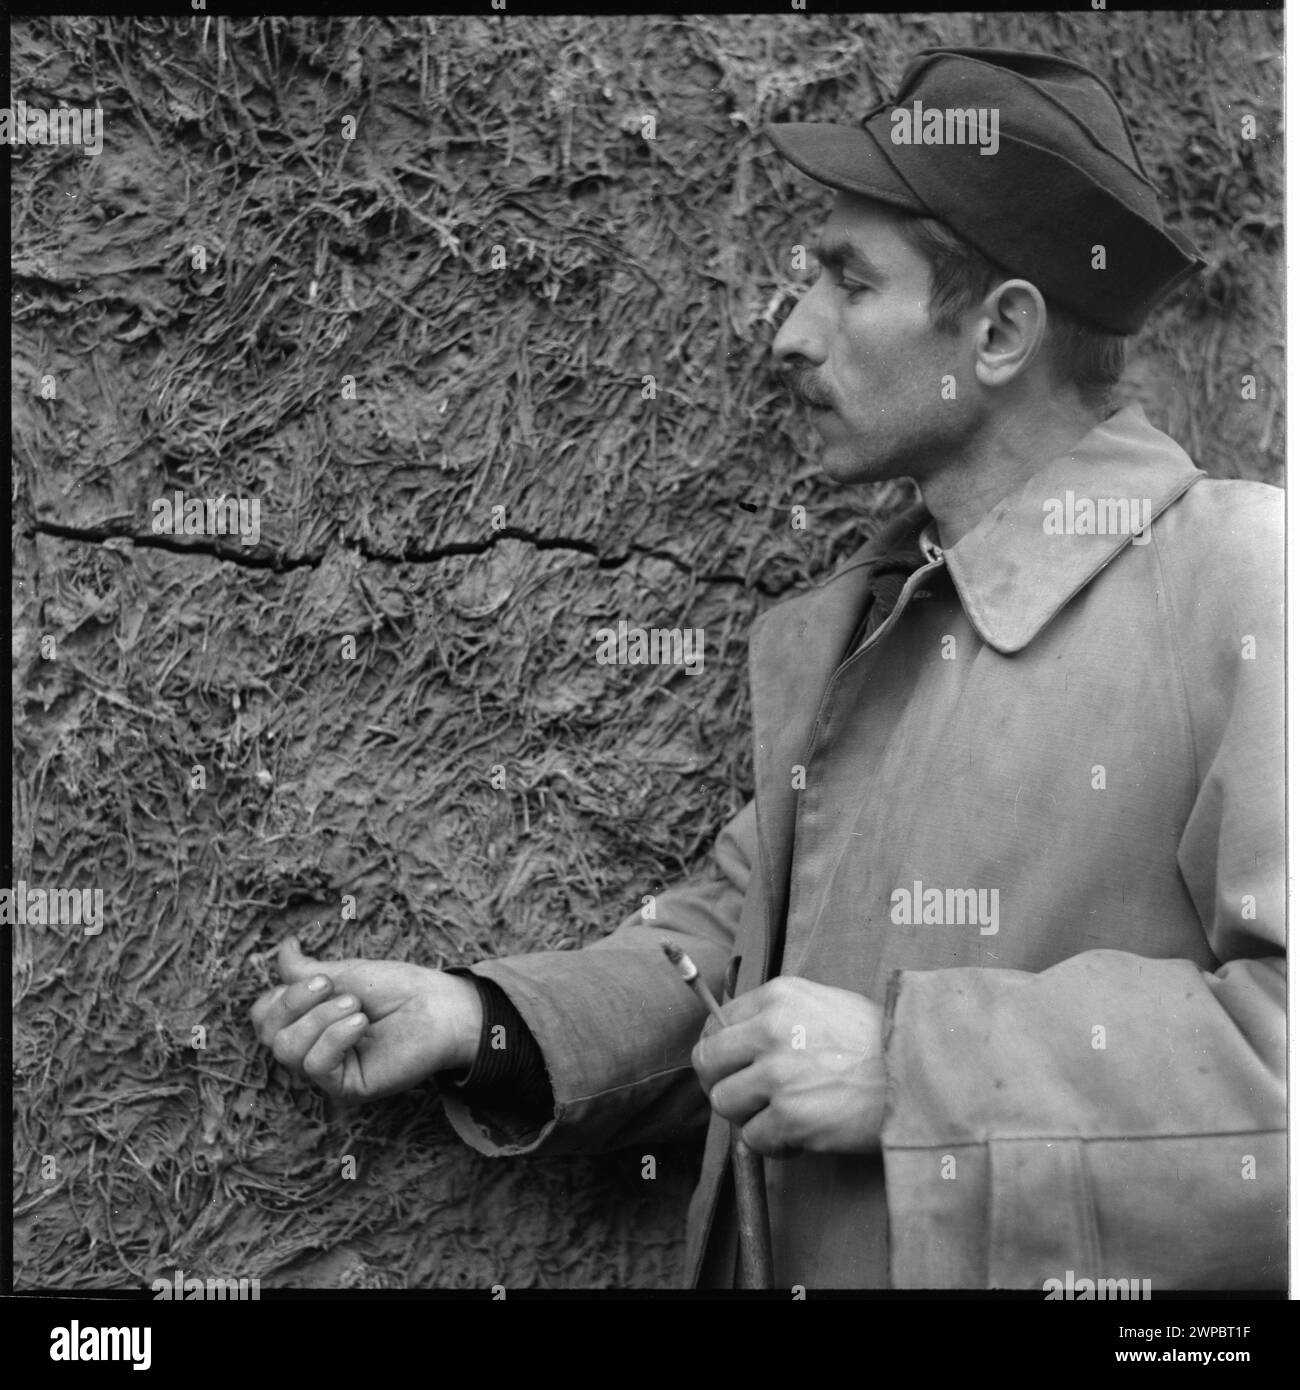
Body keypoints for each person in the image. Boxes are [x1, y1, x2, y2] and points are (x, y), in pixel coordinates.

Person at [251, 47, 1283, 1290]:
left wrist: (912, 1072)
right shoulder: (874, 620)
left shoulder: (1247, 577)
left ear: (1001, 330)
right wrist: (486, 1023)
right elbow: (742, 957)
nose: (788, 335)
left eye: (849, 282)